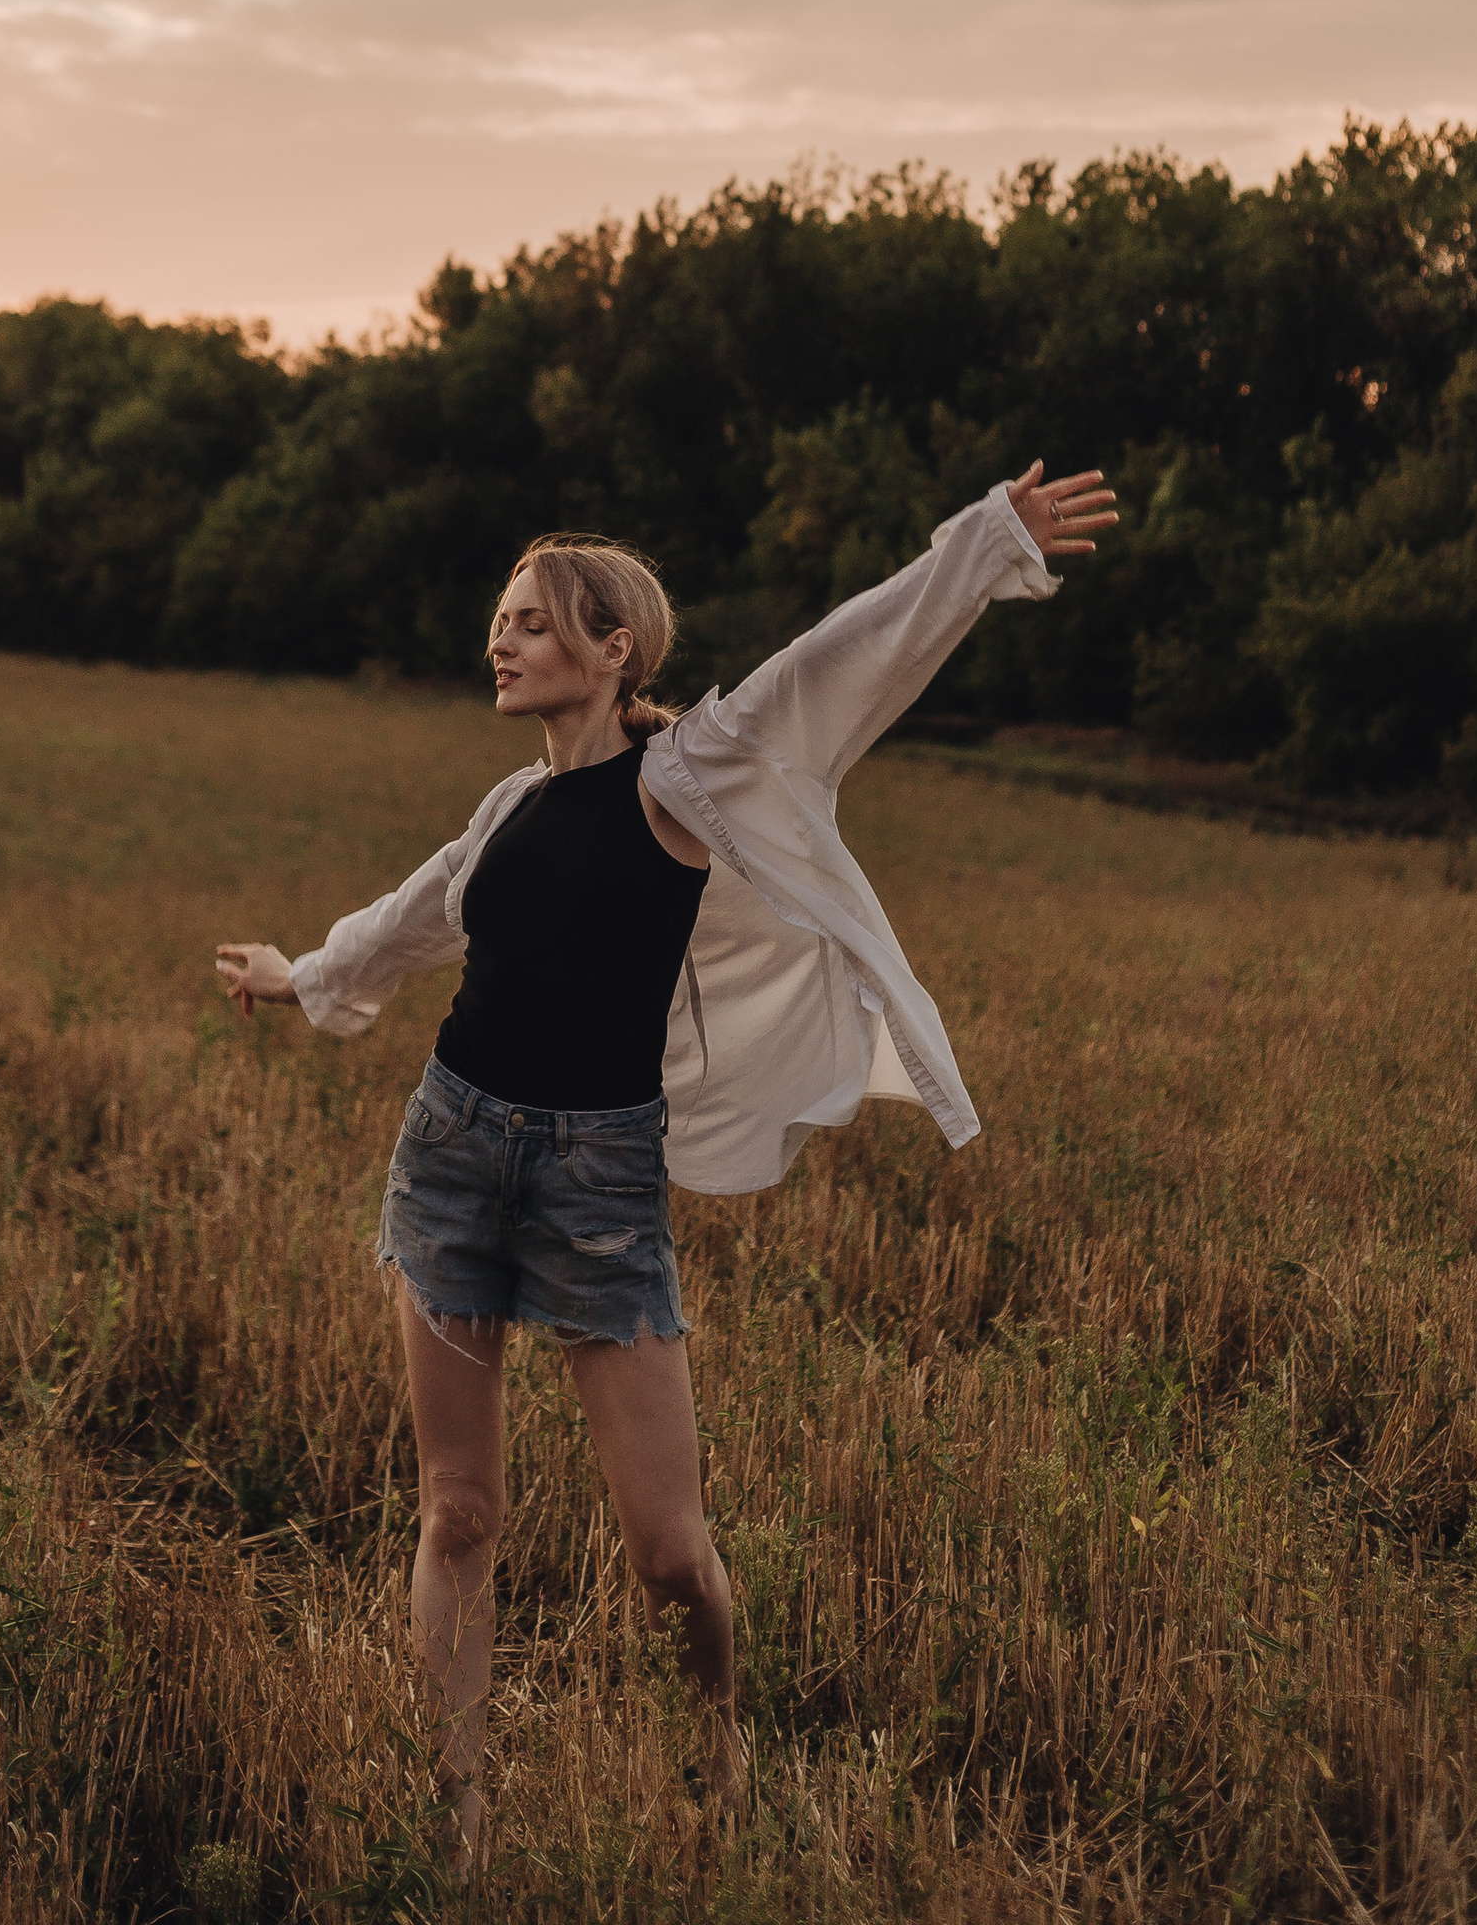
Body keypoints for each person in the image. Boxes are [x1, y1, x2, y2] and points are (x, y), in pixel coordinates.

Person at [214, 458, 1117, 1855]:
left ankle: (714, 1754)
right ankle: (449, 1823)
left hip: (598, 1187)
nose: (501, 641)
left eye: (529, 621)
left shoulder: (690, 773)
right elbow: (412, 920)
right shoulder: (508, 810)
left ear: (611, 646)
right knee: (457, 1513)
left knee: (667, 1553)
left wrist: (983, 542)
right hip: (451, 1153)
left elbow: (843, 660)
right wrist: (299, 974)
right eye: (504, 620)